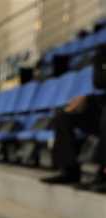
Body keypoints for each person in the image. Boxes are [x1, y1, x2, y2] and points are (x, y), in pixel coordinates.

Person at [41, 44, 106, 188]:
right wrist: (87, 98)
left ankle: (104, 175)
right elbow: (99, 82)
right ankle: (69, 171)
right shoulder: (102, 50)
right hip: (101, 104)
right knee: (64, 115)